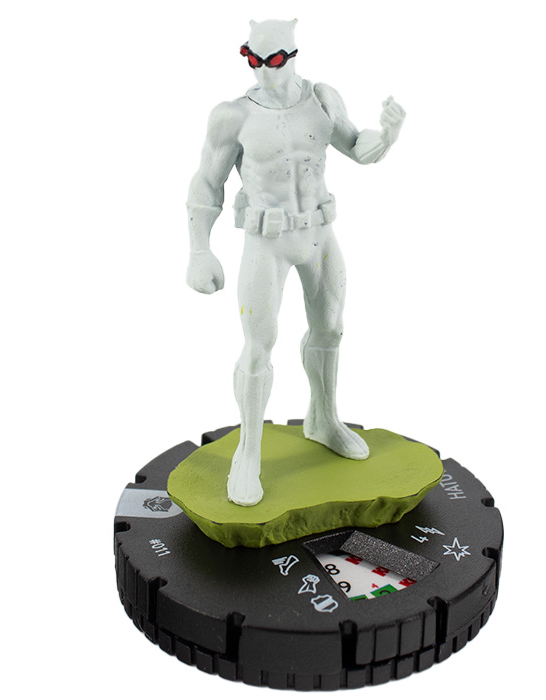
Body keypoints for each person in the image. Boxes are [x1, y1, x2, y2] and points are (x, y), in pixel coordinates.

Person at [186, 19, 405, 506]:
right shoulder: (232, 116)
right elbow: (206, 184)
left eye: (275, 60)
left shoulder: (321, 99)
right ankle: (248, 451)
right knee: (259, 345)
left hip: (318, 232)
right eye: (253, 59)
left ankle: (323, 419)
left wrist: (387, 136)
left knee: (331, 327)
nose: (264, 71)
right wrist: (199, 250)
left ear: (292, 54)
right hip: (267, 241)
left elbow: (356, 145)